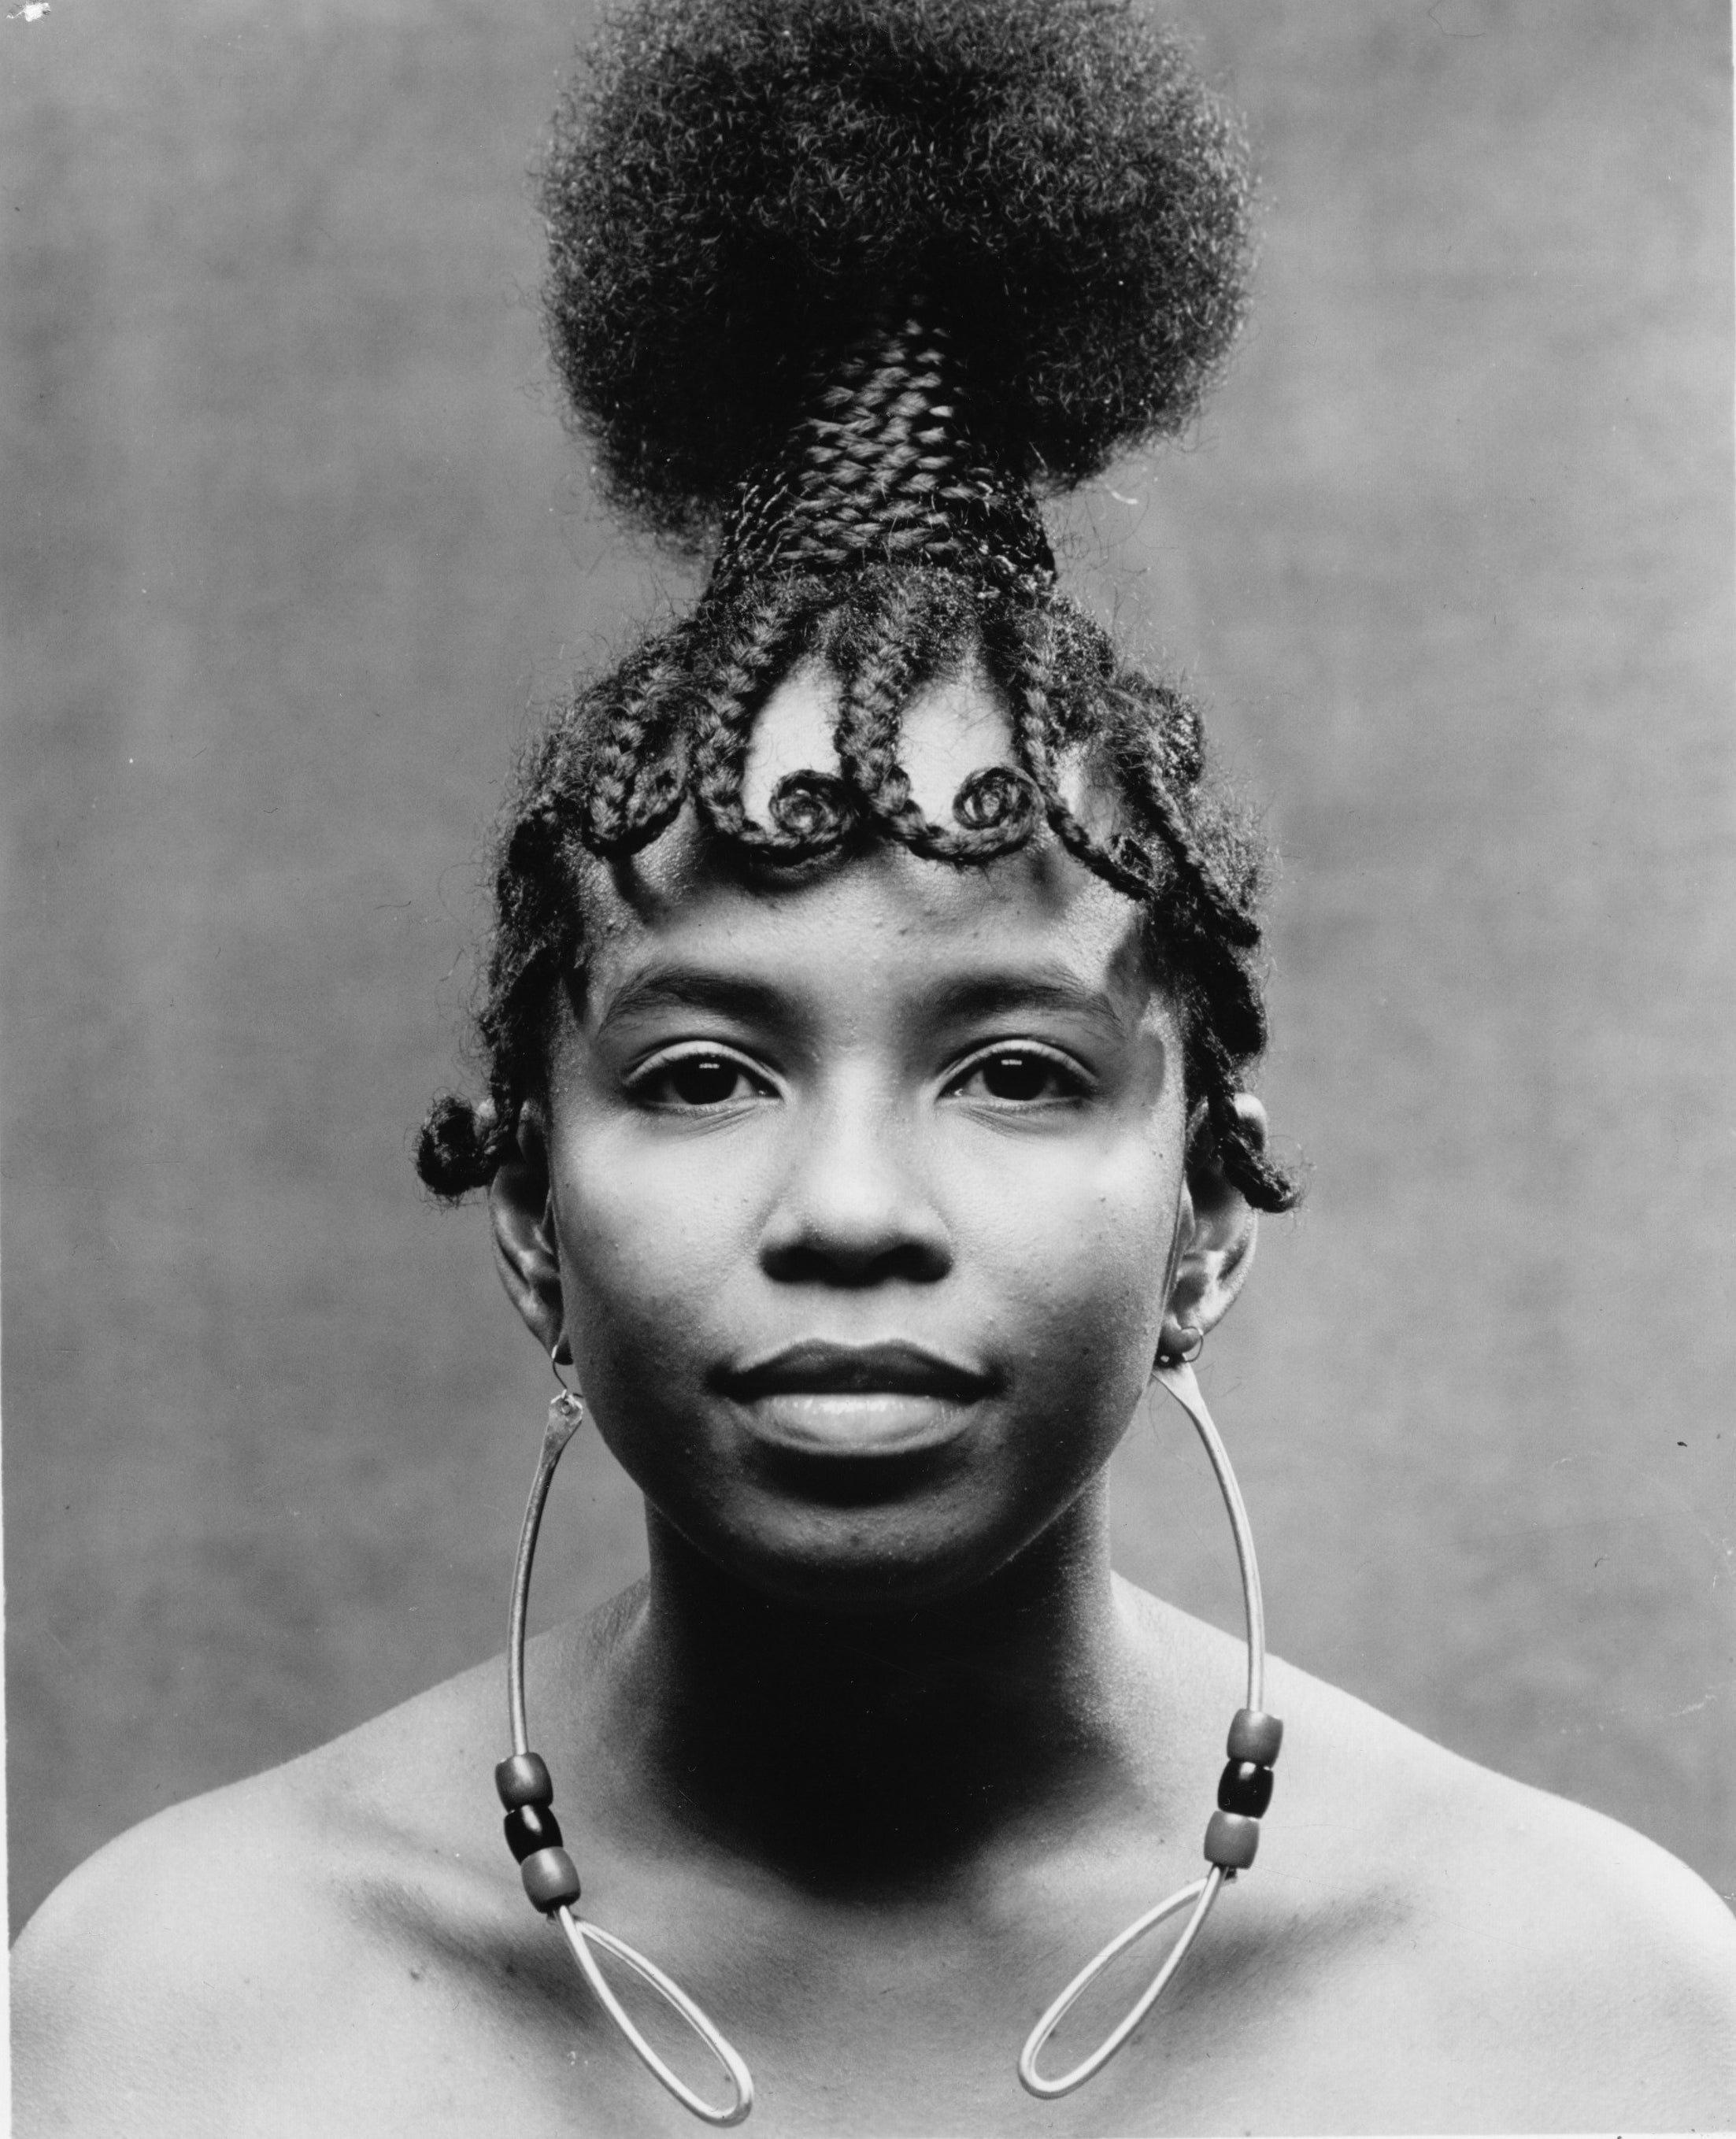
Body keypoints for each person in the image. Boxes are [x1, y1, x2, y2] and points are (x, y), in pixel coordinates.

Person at [13, 1, 1734, 2131]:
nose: (848, 1209)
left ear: (1204, 1212)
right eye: (703, 1072)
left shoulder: (1599, 2023)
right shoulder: (157, 2023)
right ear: (532, 1214)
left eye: (1012, 1067)